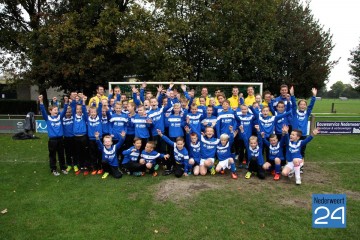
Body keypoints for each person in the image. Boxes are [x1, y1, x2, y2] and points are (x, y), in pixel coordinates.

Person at [39, 95, 67, 176]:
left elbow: (64, 110)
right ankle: (53, 169)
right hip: (52, 140)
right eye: (55, 110)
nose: (57, 111)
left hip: (61, 139)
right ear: (50, 111)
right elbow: (43, 111)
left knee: (61, 155)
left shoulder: (59, 117)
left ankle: (63, 168)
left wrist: (65, 102)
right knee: (52, 155)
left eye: (57, 110)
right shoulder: (47, 118)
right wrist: (41, 101)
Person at [290, 86, 317, 163]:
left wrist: (314, 96)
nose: (302, 106)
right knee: (293, 151)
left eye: (304, 105)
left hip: (303, 135)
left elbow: (311, 106)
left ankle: (301, 166)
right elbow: (293, 105)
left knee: (302, 151)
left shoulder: (307, 113)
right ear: (298, 106)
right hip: (295, 135)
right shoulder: (295, 113)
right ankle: (293, 165)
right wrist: (292, 95)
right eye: (301, 104)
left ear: (305, 106)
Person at [72, 95, 89, 175]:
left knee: (85, 152)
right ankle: (80, 166)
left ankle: (86, 166)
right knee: (78, 152)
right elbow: (72, 107)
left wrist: (83, 102)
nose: (79, 110)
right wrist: (75, 99)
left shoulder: (84, 116)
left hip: (83, 137)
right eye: (77, 109)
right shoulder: (73, 116)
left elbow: (85, 110)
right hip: (76, 137)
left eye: (80, 109)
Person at [61, 97, 77, 173]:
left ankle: (75, 165)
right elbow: (61, 111)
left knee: (74, 152)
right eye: (67, 112)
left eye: (69, 112)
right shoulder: (62, 119)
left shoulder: (73, 117)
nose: (68, 113)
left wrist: (72, 101)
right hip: (66, 138)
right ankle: (69, 165)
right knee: (67, 152)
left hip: (73, 138)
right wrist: (66, 102)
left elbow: (74, 108)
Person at [87, 105, 103, 175]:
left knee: (99, 153)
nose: (93, 113)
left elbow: (99, 108)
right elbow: (84, 110)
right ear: (89, 113)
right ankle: (94, 168)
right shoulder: (87, 119)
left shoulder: (99, 118)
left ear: (97, 113)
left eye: (94, 112)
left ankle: (100, 167)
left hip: (99, 138)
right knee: (92, 154)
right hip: (91, 139)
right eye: (91, 112)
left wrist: (99, 101)